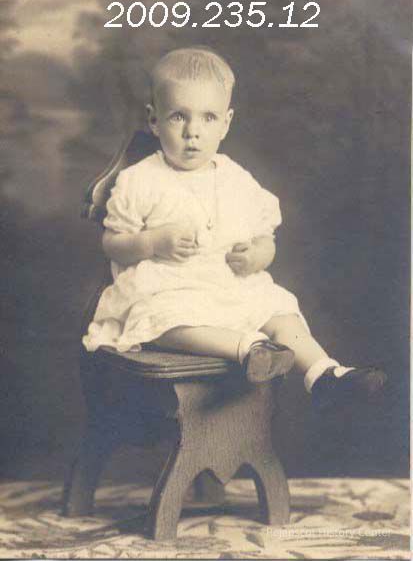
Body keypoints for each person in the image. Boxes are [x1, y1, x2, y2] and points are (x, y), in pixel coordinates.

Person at [82, 46, 386, 412]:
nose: (193, 132)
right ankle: (250, 348)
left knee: (280, 311)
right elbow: (112, 242)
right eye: (178, 116)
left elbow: (265, 238)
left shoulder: (237, 179)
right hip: (169, 288)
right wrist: (152, 242)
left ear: (226, 123)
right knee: (165, 319)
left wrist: (257, 256)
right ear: (154, 120)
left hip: (230, 287)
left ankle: (324, 374)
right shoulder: (140, 180)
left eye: (208, 117)